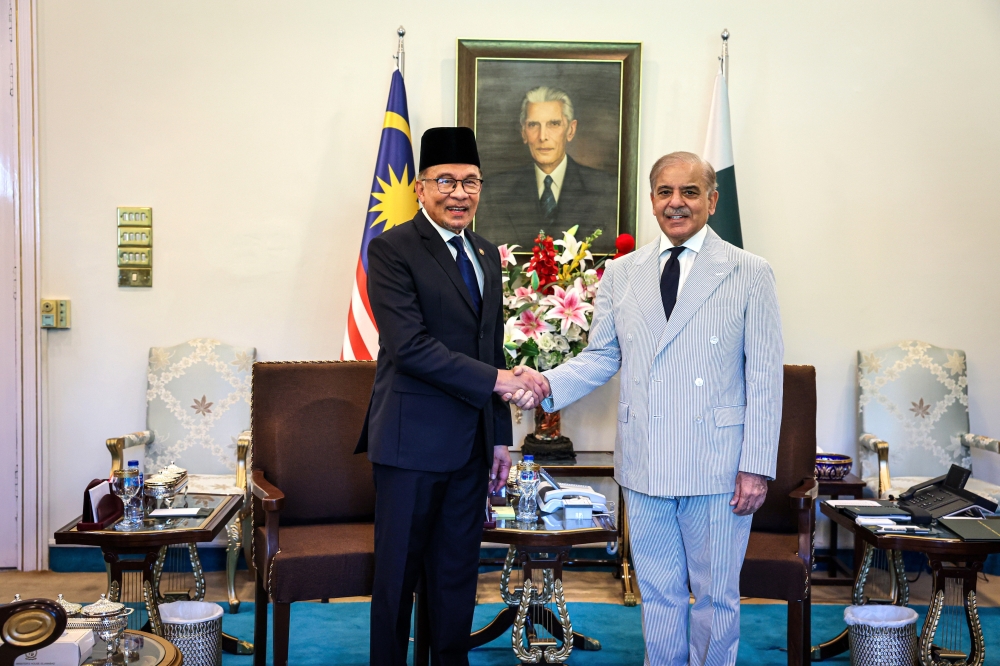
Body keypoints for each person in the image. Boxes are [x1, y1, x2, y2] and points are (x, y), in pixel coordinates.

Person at [514, 152, 783, 666]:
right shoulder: (621, 273)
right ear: (652, 200)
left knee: (716, 596)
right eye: (665, 192)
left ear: (712, 199)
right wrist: (545, 383)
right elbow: (602, 357)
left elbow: (765, 377)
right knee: (656, 594)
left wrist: (756, 465)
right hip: (646, 456)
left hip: (720, 463)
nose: (676, 203)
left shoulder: (750, 272)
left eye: (689, 192)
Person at [356, 126, 546, 666]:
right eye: (446, 181)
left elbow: (492, 346)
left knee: (456, 576)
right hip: (409, 446)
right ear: (420, 187)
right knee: (397, 580)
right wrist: (500, 382)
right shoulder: (391, 249)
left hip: (470, 446)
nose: (459, 193)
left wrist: (501, 439)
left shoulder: (486, 253)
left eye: (470, 182)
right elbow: (410, 346)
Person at [474, 86, 618, 251]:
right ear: (523, 132)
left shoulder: (606, 189)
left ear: (570, 130)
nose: (542, 136)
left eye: (554, 124)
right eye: (533, 125)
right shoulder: (495, 192)